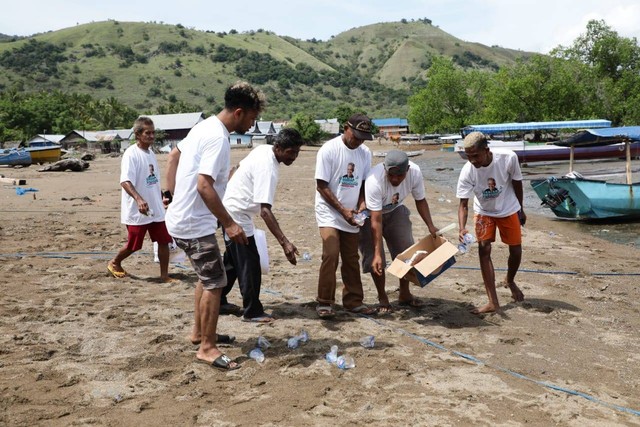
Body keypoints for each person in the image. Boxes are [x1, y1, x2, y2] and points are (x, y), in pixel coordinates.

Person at [164, 81, 265, 370]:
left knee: (206, 277)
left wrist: (171, 197)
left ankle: (199, 333)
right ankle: (207, 348)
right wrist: (230, 224)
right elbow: (204, 185)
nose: (253, 124)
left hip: (184, 219)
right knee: (215, 282)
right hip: (194, 225)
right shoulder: (218, 138)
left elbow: (173, 156)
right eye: (252, 118)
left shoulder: (203, 126)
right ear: (238, 112)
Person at [222, 128, 304, 323]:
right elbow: (265, 211)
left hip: (232, 208)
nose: (294, 157)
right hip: (237, 214)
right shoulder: (268, 168)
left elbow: (237, 167)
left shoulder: (263, 150)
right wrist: (285, 243)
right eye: (290, 152)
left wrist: (231, 190)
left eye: (297, 152)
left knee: (232, 262)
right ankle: (252, 311)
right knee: (250, 263)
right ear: (278, 147)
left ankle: (218, 301)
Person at [359, 150, 439, 313]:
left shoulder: (415, 173)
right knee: (375, 257)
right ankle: (382, 297)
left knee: (406, 251)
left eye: (400, 176)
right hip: (370, 215)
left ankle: (404, 293)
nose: (395, 179)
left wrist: (431, 225)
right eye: (391, 175)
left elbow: (420, 200)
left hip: (395, 210)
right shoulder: (374, 180)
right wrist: (377, 253)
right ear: (385, 169)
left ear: (407, 170)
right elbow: (376, 219)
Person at [456, 131, 526, 314]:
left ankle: (510, 280)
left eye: (475, 156)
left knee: (516, 249)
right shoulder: (467, 171)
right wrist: (462, 228)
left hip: (508, 207)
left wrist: (521, 208)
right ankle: (492, 301)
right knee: (484, 249)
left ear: (486, 150)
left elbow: (518, 183)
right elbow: (463, 204)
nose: (472, 160)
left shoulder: (508, 158)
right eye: (468, 156)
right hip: (484, 211)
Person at [314, 113, 377, 318]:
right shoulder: (329, 150)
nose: (358, 141)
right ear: (345, 128)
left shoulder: (365, 152)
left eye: (363, 138)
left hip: (352, 213)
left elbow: (363, 184)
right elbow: (321, 185)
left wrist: (361, 206)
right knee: (331, 253)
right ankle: (324, 301)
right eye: (356, 136)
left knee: (351, 257)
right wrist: (342, 211)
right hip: (329, 211)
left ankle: (353, 300)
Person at [108, 117, 173, 281]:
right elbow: (125, 181)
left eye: (153, 133)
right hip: (138, 209)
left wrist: (160, 198)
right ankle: (115, 262)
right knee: (134, 245)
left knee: (164, 240)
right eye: (147, 133)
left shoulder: (151, 153)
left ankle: (164, 276)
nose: (151, 136)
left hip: (155, 208)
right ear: (137, 134)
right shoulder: (131, 154)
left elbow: (153, 180)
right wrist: (138, 199)